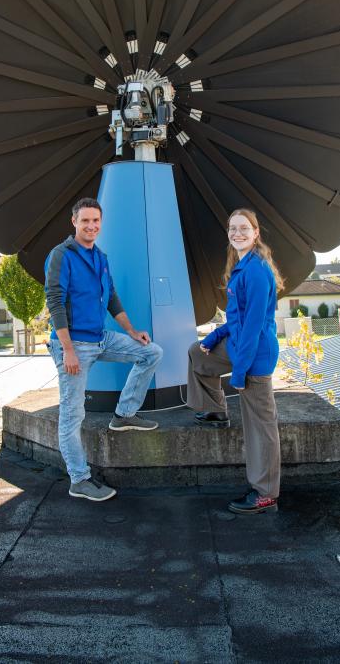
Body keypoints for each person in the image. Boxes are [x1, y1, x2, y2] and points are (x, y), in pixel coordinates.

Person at [45, 197, 163, 502]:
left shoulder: (100, 257)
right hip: (73, 346)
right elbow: (55, 302)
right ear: (74, 222)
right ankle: (79, 479)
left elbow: (111, 297)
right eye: (85, 220)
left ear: (101, 223)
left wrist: (132, 332)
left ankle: (123, 414)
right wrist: (68, 350)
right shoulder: (62, 255)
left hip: (100, 338)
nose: (91, 226)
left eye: (95, 221)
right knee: (72, 415)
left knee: (151, 352)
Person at [186, 208, 283, 515]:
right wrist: (214, 338)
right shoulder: (241, 265)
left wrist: (239, 373)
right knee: (196, 354)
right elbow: (238, 318)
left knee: (260, 426)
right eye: (232, 228)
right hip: (238, 343)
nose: (237, 233)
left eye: (244, 228)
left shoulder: (256, 271)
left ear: (256, 233)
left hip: (254, 355)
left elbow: (254, 325)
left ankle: (266, 493)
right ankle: (215, 411)